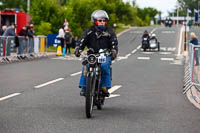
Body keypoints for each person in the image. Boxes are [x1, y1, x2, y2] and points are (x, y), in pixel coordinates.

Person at [74, 9, 118, 96]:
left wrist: (113, 51)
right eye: (100, 20)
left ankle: (105, 87)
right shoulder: (89, 31)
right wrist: (78, 48)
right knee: (86, 66)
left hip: (105, 55)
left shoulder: (109, 31)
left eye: (104, 21)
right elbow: (82, 41)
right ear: (94, 21)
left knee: (105, 66)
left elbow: (114, 43)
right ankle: (84, 87)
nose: (102, 22)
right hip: (92, 55)